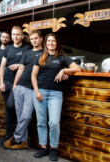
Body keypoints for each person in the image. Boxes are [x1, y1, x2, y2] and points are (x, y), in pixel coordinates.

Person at [31, 33, 81, 161]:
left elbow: (77, 68)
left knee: (53, 123)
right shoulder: (40, 57)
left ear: (56, 43)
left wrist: (64, 70)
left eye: (53, 41)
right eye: (49, 41)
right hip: (40, 91)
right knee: (41, 122)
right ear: (45, 43)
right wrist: (36, 91)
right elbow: (33, 76)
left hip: (55, 94)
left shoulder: (63, 57)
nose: (51, 43)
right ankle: (43, 147)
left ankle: (53, 148)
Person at [4, 30, 43, 150]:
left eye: (36, 38)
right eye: (32, 39)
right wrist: (15, 84)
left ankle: (16, 137)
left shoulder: (46, 53)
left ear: (41, 39)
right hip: (20, 86)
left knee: (26, 116)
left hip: (32, 89)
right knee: (20, 116)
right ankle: (23, 141)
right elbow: (21, 69)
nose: (34, 41)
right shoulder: (27, 52)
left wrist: (63, 72)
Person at [0, 26, 30, 145]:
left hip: (20, 84)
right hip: (7, 82)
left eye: (18, 34)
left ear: (22, 36)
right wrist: (1, 82)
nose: (15, 37)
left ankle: (18, 135)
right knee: (8, 109)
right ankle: (9, 134)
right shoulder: (8, 49)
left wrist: (19, 65)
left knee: (14, 108)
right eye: (13, 34)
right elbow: (2, 66)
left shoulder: (27, 48)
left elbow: (32, 64)